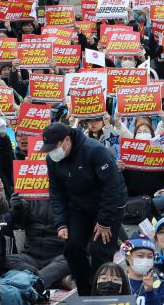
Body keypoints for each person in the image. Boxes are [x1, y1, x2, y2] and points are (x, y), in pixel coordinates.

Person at [42, 122, 128, 296]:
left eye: (54, 147)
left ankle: (102, 295)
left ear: (66, 140)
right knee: (72, 247)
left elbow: (111, 188)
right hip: (79, 207)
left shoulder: (95, 151)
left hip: (108, 205)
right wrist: (61, 223)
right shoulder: (52, 159)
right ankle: (85, 293)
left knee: (99, 251)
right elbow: (56, 192)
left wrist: (104, 222)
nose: (52, 152)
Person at [7, 190, 73, 291]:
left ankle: (33, 282)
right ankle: (53, 281)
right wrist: (17, 207)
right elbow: (18, 222)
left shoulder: (69, 196)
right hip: (30, 257)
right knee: (6, 259)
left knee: (72, 260)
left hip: (57, 257)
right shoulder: (29, 194)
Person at [120, 236, 164, 304]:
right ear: (128, 257)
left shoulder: (160, 284)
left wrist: (150, 291)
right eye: (140, 256)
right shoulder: (119, 281)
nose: (145, 260)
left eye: (149, 256)